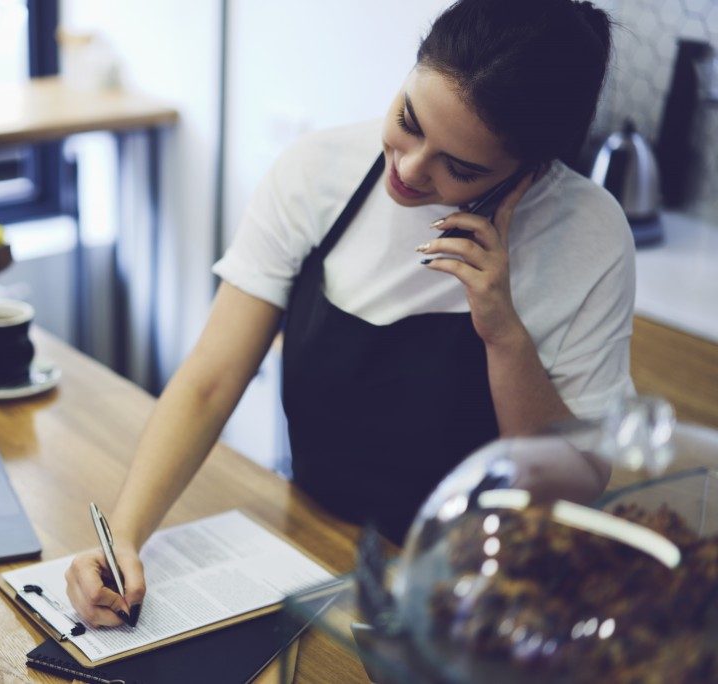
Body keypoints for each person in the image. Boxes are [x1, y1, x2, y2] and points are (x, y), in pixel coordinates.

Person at [66, 0, 633, 628]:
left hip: (479, 599)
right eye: (409, 121)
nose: (410, 169)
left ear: (533, 169)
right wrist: (123, 537)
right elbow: (210, 378)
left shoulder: (588, 236)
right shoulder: (317, 172)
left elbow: (572, 486)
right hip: (310, 547)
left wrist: (503, 333)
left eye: (461, 168)